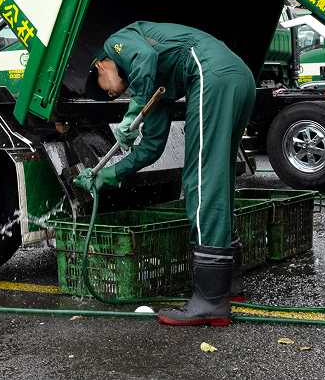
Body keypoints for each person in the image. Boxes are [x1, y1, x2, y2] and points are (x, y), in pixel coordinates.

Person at [78, 22, 256, 327]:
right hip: (237, 76)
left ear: (100, 65)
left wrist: (132, 111)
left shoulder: (116, 43)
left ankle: (210, 301)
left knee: (201, 179)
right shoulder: (153, 82)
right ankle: (229, 285)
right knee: (218, 174)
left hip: (212, 73)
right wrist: (109, 174)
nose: (111, 93)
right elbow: (152, 147)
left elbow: (143, 57)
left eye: (104, 87)